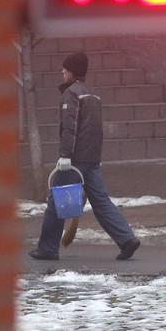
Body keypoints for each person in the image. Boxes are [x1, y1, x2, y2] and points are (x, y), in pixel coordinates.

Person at [29, 52, 141, 261]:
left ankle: (47, 249)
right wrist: (96, 158)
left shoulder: (71, 94)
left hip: (74, 161)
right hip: (91, 160)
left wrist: (65, 155)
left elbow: (70, 128)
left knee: (56, 200)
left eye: (65, 69)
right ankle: (127, 239)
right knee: (101, 201)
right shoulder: (93, 95)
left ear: (73, 72)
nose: (62, 72)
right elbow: (96, 130)